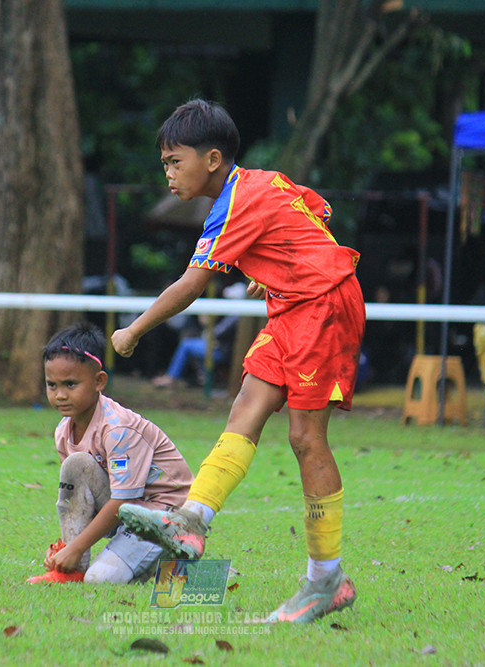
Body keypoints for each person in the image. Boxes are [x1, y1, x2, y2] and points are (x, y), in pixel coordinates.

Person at [111, 99, 366, 623]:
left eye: (173, 161)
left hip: (323, 304)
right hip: (294, 305)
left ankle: (327, 581)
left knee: (305, 438)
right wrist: (274, 260)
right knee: (245, 406)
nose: (168, 173)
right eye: (164, 163)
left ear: (211, 158)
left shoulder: (232, 203)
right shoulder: (259, 183)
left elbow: (190, 287)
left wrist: (133, 330)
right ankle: (191, 522)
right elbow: (313, 211)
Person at [27, 322, 194, 585]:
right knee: (76, 465)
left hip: (167, 515)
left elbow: (121, 503)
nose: (60, 395)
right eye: (52, 385)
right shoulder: (63, 430)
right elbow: (79, 499)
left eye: (70, 384)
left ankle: (177, 559)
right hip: (131, 510)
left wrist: (77, 546)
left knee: (100, 580)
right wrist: (67, 548)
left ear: (99, 381)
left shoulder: (118, 429)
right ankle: (71, 571)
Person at [151, 281, 245, 388]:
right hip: (219, 347)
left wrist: (207, 328)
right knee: (192, 344)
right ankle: (202, 377)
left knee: (187, 345)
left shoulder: (235, 316)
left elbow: (217, 332)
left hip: (222, 350)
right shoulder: (234, 314)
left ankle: (172, 377)